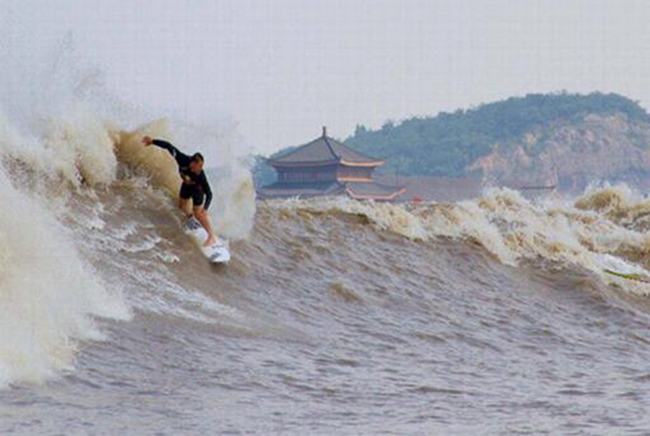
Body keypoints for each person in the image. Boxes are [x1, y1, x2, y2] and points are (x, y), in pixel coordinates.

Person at [142, 136, 217, 246]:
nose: (200, 169)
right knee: (182, 207)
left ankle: (211, 236)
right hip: (186, 186)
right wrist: (152, 141)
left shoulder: (201, 176)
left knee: (198, 213)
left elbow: (209, 193)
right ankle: (191, 221)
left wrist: (205, 208)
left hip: (197, 191)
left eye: (201, 167)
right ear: (193, 162)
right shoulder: (182, 159)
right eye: (199, 166)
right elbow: (168, 146)